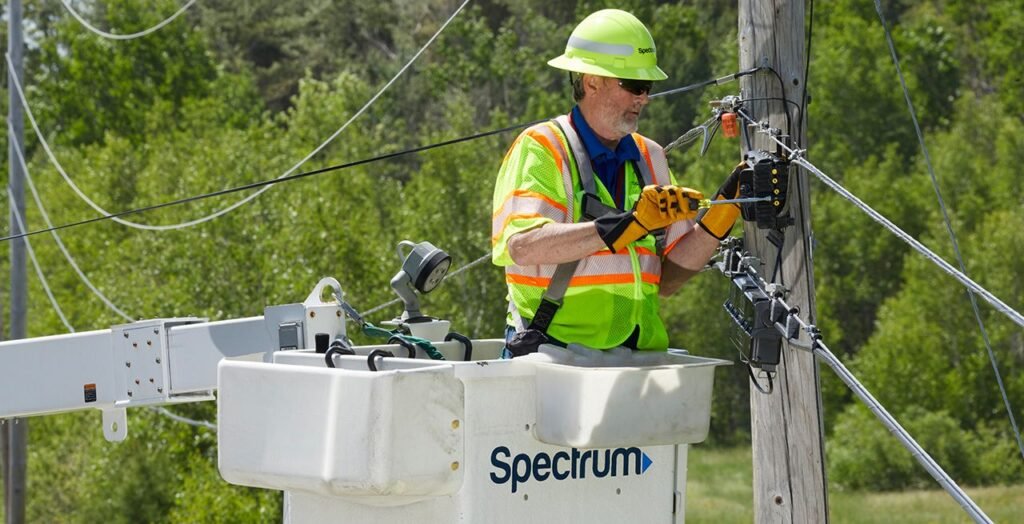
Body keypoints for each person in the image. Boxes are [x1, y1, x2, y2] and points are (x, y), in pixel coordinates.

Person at [491, 9, 742, 358]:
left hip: (634, 359)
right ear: (592, 81)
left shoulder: (650, 157)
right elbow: (523, 246)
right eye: (634, 86)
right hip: (553, 355)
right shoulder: (544, 148)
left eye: (648, 87)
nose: (644, 98)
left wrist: (722, 216)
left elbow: (667, 281)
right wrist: (627, 225)